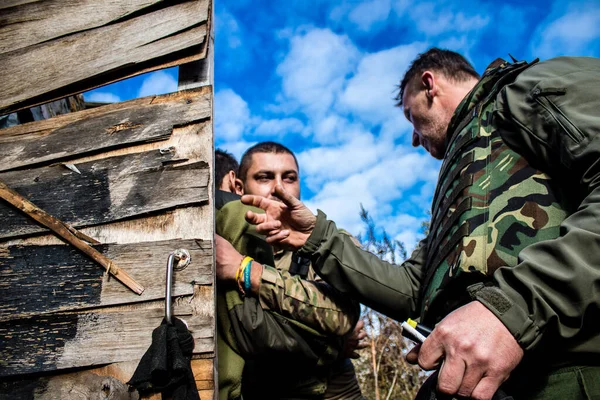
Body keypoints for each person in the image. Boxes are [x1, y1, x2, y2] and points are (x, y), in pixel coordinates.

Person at [237, 50, 600, 400]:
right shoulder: (463, 174)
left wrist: (514, 310)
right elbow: (414, 290)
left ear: (430, 85)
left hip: (572, 372)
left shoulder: (526, 88)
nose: (413, 138)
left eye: (411, 117)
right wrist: (316, 236)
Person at [215, 142, 366, 399]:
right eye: (264, 177)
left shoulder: (330, 242)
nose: (279, 188)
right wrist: (331, 343)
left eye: (289, 178)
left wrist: (245, 271)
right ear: (238, 186)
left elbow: (342, 315)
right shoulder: (225, 243)